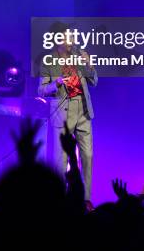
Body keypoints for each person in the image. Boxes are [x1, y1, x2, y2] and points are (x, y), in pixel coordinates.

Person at [38, 22, 97, 209]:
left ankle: (86, 198)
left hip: (83, 109)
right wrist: (55, 84)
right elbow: (40, 90)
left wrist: (88, 65)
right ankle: (60, 200)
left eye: (72, 36)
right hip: (63, 111)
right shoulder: (48, 60)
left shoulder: (79, 56)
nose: (71, 39)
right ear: (58, 40)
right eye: (67, 36)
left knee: (87, 155)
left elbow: (93, 81)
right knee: (60, 159)